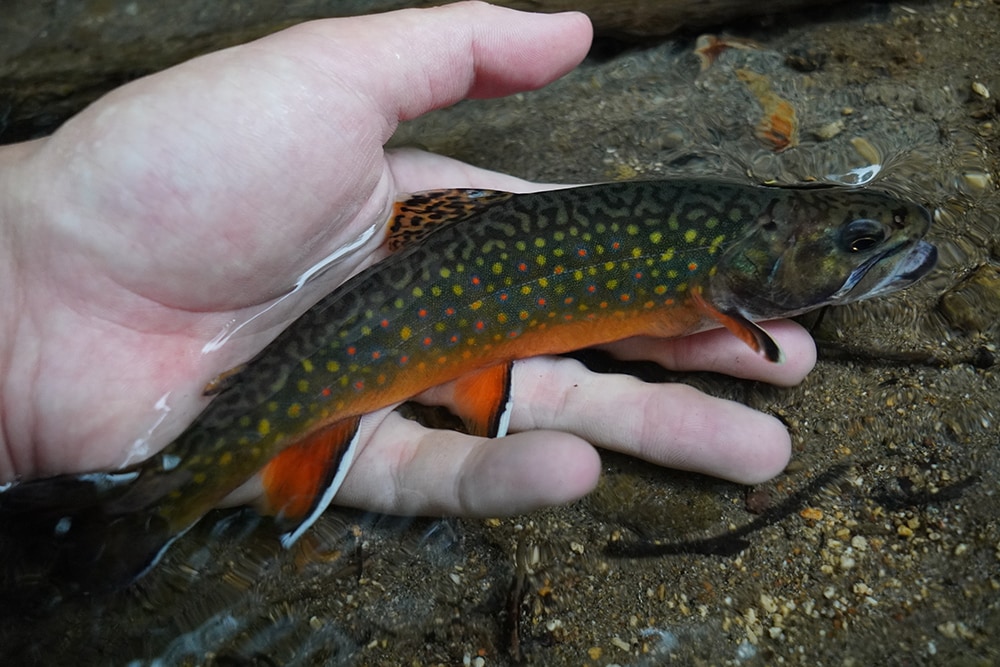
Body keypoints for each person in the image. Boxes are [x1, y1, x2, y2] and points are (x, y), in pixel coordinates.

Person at [0, 2, 814, 518]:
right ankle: (142, 504)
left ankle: (132, 504)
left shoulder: (716, 257)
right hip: (383, 334)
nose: (864, 257)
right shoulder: (723, 287)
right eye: (855, 246)